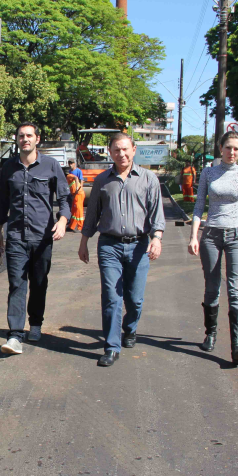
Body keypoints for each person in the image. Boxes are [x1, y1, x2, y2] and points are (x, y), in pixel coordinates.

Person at [78, 133, 165, 367]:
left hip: (139, 246)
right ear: (110, 152)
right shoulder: (101, 181)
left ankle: (130, 328)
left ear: (134, 150)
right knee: (111, 297)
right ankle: (111, 347)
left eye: (125, 149)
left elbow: (157, 215)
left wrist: (156, 239)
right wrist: (84, 242)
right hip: (109, 245)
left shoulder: (148, 179)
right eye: (116, 150)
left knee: (134, 299)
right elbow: (92, 215)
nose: (121, 154)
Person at [188, 131, 238, 365]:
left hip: (237, 235)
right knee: (212, 286)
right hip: (211, 234)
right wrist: (194, 236)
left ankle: (237, 345)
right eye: (228, 147)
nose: (232, 152)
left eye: (236, 149)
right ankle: (210, 334)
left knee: (236, 288)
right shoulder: (209, 172)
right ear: (220, 148)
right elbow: (200, 204)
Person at [0, 122, 71, 355]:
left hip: (42, 236)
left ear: (37, 139)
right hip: (16, 235)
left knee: (39, 283)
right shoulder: (8, 167)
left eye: (29, 135)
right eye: (21, 136)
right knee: (17, 284)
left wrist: (62, 221)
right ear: (17, 140)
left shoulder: (51, 165)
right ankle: (16, 335)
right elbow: (2, 202)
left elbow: (65, 198)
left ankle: (35, 323)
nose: (24, 139)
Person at [66, 169, 85, 233]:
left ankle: (80, 227)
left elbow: (76, 178)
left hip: (78, 194)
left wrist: (77, 188)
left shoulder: (68, 176)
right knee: (74, 211)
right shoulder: (68, 177)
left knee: (78, 211)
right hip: (75, 195)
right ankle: (71, 226)